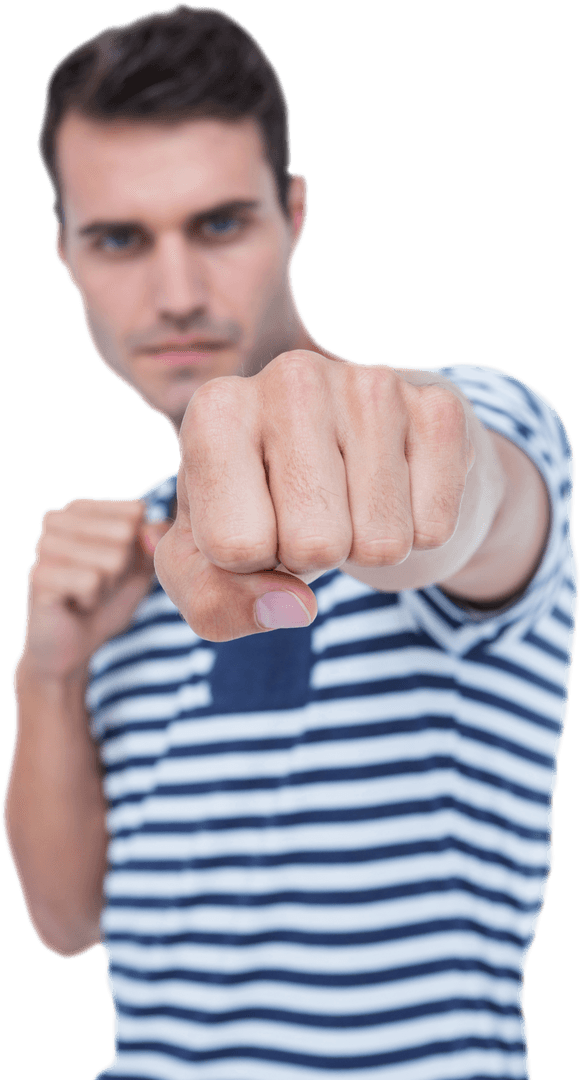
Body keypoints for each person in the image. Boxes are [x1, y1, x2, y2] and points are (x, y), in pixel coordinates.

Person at [2, 4, 576, 1079]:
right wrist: (50, 671)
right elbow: (66, 922)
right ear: (65, 255)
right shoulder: (126, 557)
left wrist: (408, 463)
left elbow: (469, 509)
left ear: (293, 214)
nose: (174, 294)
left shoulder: (465, 419)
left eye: (218, 224)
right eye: (120, 239)